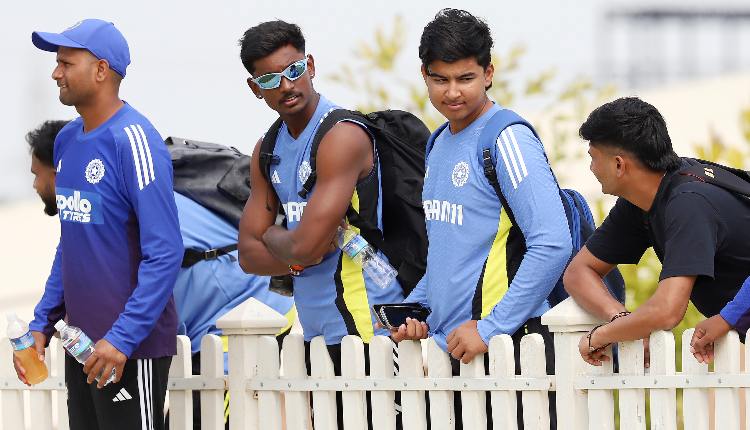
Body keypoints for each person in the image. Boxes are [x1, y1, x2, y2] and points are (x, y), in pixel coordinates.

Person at [22, 119, 297, 429]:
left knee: (204, 420)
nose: (34, 186)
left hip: (249, 312)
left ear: (61, 171)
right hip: (202, 330)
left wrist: (117, 336)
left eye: (36, 174)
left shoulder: (127, 202)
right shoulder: (99, 208)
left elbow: (160, 262)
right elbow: (74, 261)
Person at [392, 8, 572, 427]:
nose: (452, 92)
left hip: (512, 352)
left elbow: (553, 242)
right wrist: (416, 311)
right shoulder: (438, 142)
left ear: (489, 73)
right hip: (453, 356)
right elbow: (450, 253)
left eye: (465, 78)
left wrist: (491, 328)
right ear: (424, 75)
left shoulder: (507, 139)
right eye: (440, 79)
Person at [17, 19, 184, 430]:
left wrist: (121, 339)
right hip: (81, 347)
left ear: (101, 70)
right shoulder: (67, 140)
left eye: (66, 63)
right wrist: (42, 323)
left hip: (129, 350)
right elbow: (71, 243)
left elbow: (165, 252)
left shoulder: (134, 140)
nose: (55, 73)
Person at [237, 20, 405, 427]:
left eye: (294, 70)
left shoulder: (340, 135)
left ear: (310, 65)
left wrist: (277, 237)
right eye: (270, 79)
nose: (286, 85)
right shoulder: (268, 149)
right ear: (255, 88)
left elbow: (305, 247)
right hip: (316, 334)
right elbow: (248, 254)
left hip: (371, 331)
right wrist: (294, 250)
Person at [563, 97, 750, 367]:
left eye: (593, 157)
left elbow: (667, 310)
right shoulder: (643, 199)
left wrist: (599, 336)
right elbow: (578, 271)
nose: (591, 168)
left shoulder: (688, 202)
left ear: (619, 165)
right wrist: (620, 318)